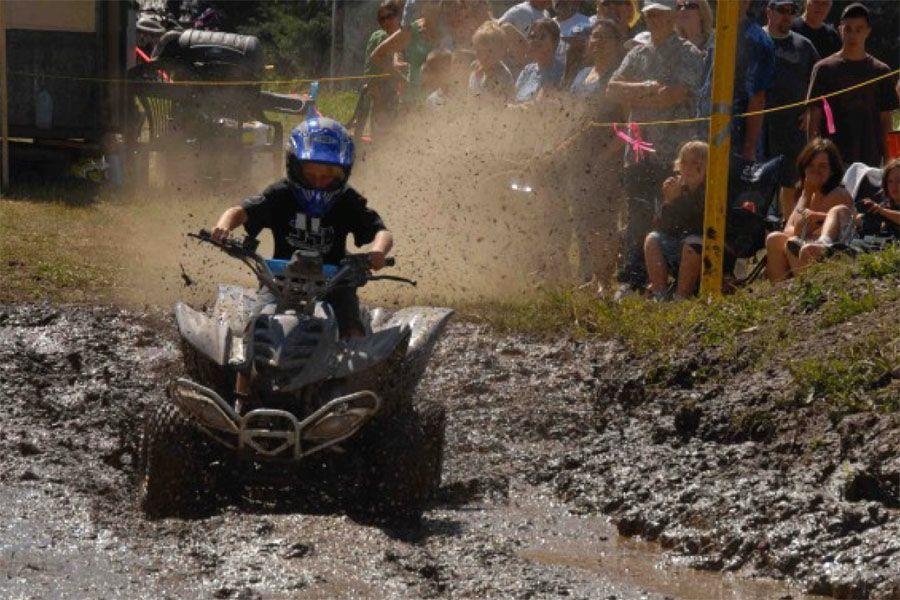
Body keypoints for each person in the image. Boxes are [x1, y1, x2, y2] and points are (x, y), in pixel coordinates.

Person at [211, 117, 393, 337]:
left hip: (336, 284)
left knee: (353, 333)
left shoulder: (348, 200)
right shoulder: (281, 193)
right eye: (311, 173)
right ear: (295, 167)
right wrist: (224, 225)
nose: (319, 181)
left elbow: (381, 232)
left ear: (343, 173)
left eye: (328, 175)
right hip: (279, 281)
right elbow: (239, 211)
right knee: (254, 329)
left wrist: (378, 252)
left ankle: (354, 354)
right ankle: (245, 358)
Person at [606, 0, 703, 297]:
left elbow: (673, 95)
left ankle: (667, 279)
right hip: (638, 152)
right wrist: (648, 88)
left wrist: (637, 94)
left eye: (660, 14)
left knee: (670, 214)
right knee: (637, 214)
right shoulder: (637, 53)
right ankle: (633, 278)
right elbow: (612, 88)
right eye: (650, 14)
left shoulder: (689, 53)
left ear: (673, 16)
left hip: (673, 153)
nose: (655, 19)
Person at [806, 2, 899, 168]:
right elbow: (814, 118)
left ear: (868, 31)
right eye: (848, 29)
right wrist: (813, 159)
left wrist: (892, 161)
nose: (853, 34)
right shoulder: (824, 69)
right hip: (833, 161)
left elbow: (888, 121)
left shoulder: (881, 71)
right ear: (840, 29)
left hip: (870, 160)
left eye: (859, 29)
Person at [765, 138, 853, 281]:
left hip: (827, 257)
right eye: (811, 166)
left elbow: (799, 231)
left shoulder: (837, 194)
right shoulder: (807, 193)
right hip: (801, 251)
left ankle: (805, 288)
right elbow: (788, 229)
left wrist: (806, 195)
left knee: (793, 243)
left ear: (832, 170)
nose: (815, 171)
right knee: (774, 239)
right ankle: (780, 289)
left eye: (822, 166)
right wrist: (806, 194)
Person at [763, 0, 820, 220]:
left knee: (791, 182)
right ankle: (755, 231)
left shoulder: (804, 46)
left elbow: (819, 82)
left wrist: (809, 110)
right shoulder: (757, 40)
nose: (787, 15)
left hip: (792, 128)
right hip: (759, 127)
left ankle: (788, 227)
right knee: (758, 182)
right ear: (769, 11)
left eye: (792, 11)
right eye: (781, 10)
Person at [644, 141, 709, 300]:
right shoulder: (679, 188)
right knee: (652, 239)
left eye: (696, 163)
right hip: (678, 246)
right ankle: (660, 293)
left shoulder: (711, 189)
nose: (688, 168)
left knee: (692, 242)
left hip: (704, 249)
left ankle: (681, 296)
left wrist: (678, 200)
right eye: (684, 162)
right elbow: (663, 227)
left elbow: (697, 223)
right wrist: (668, 202)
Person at [371, 1, 444, 105]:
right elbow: (377, 55)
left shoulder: (450, 28)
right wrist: (400, 78)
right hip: (413, 101)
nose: (433, 5)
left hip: (444, 101)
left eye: (436, 2)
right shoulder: (412, 30)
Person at [364, 0, 404, 133]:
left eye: (389, 16)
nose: (386, 22)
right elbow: (370, 75)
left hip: (396, 100)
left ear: (398, 16)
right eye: (382, 19)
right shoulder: (380, 37)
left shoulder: (401, 36)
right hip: (383, 101)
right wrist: (380, 106)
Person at [514, 18, 565, 103]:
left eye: (542, 37)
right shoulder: (527, 70)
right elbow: (514, 98)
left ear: (555, 42)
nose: (536, 41)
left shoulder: (561, 73)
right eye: (532, 37)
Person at [469, 19, 516, 101]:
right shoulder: (475, 67)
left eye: (490, 51)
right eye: (480, 51)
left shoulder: (501, 75)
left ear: (501, 52)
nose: (485, 56)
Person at [857, 158, 900, 240]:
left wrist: (882, 211)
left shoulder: (883, 210)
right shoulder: (886, 205)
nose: (894, 185)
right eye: (890, 181)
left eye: (899, 181)